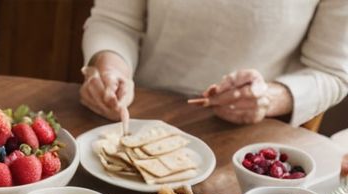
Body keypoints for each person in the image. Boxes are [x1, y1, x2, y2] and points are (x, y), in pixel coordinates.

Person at [79, 0, 348, 127]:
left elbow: (332, 73)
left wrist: (268, 97)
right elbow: (114, 21)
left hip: (249, 142)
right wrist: (111, 69)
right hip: (139, 115)